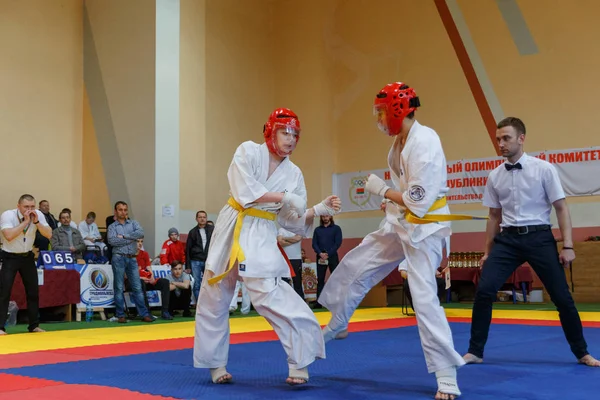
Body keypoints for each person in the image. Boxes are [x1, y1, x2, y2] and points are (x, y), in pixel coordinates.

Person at [318, 82, 483, 400]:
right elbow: (404, 195)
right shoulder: (399, 142)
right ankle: (339, 321)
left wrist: (382, 190)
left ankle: (446, 374)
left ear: (397, 110)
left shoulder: (425, 142)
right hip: (400, 223)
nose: (378, 118)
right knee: (359, 261)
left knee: (423, 297)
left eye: (381, 112)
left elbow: (418, 200)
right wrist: (390, 200)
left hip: (426, 229)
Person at [193, 107, 341, 386]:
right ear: (270, 131)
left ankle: (299, 360)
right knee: (214, 296)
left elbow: (292, 221)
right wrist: (284, 197)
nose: (291, 139)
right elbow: (244, 192)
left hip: (261, 231)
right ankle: (215, 363)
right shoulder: (248, 151)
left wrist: (315, 209)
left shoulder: (294, 173)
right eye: (285, 132)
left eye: (295, 135)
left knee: (270, 295)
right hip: (233, 222)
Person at [463, 117, 600, 368]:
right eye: (498, 139)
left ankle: (582, 353)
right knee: (484, 290)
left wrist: (568, 246)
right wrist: (487, 252)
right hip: (507, 240)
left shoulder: (544, 169)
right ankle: (475, 351)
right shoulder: (494, 175)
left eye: (506, 138)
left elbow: (561, 208)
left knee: (562, 297)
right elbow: (494, 216)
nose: (501, 144)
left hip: (539, 237)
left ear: (521, 138)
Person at [0, 194, 52, 334]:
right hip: (9, 256)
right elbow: (9, 236)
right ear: (18, 206)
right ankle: (0, 327)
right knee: (4, 292)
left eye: (32, 206)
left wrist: (36, 223)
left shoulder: (38, 215)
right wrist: (25, 221)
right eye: (26, 207)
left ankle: (34, 325)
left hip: (27, 257)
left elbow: (49, 234)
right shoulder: (8, 215)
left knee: (33, 291)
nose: (29, 209)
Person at [107, 201, 153, 323]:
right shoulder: (112, 227)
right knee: (118, 287)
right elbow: (112, 241)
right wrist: (131, 238)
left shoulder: (134, 223)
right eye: (120, 209)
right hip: (118, 257)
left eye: (125, 209)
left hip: (132, 258)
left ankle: (144, 314)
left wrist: (124, 237)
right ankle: (120, 314)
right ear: (115, 211)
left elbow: (141, 233)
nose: (123, 212)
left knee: (137, 287)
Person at [135, 238, 173, 320]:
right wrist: (143, 278)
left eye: (141, 241)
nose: (140, 243)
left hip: (146, 280)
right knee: (141, 282)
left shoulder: (145, 254)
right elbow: (127, 275)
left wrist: (151, 277)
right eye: (137, 241)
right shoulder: (129, 255)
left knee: (165, 282)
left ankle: (165, 311)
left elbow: (149, 267)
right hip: (135, 282)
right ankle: (147, 313)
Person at [311, 215, 342, 307]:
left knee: (336, 278)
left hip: (332, 256)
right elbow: (314, 244)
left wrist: (328, 254)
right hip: (320, 257)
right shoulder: (317, 230)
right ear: (321, 218)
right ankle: (319, 301)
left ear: (330, 217)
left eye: (327, 216)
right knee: (320, 279)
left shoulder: (336, 229)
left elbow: (338, 243)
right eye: (323, 216)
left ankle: (337, 300)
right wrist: (320, 253)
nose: (325, 218)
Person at [186, 210, 213, 301]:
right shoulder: (192, 232)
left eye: (204, 217)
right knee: (197, 284)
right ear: (196, 219)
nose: (202, 219)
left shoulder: (213, 229)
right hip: (195, 260)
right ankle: (200, 305)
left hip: (209, 260)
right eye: (200, 217)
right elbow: (188, 249)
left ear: (206, 218)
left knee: (210, 283)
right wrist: (188, 265)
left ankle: (209, 304)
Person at [277, 226, 304, 298]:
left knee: (297, 281)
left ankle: (300, 301)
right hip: (284, 259)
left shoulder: (299, 228)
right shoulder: (281, 229)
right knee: (284, 281)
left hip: (296, 259)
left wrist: (285, 238)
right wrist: (292, 240)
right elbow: (280, 242)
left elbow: (297, 238)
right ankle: (286, 301)